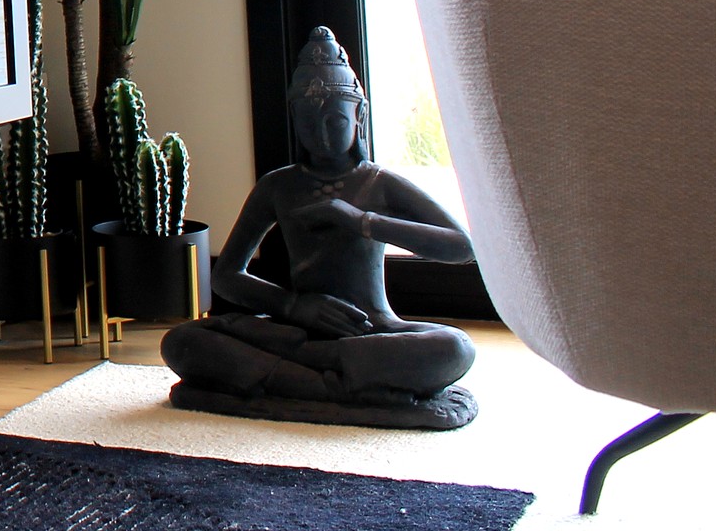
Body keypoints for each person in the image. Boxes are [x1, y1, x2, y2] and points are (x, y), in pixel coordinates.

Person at [161, 27, 479, 426]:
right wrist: (293, 306)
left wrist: (361, 221)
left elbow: (462, 246)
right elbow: (226, 276)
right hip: (295, 329)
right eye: (309, 124)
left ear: (359, 116)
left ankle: (294, 376)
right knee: (181, 341)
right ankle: (341, 385)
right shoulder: (278, 186)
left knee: (455, 348)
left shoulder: (379, 184)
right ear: (294, 119)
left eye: (334, 121)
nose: (322, 136)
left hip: (369, 330)